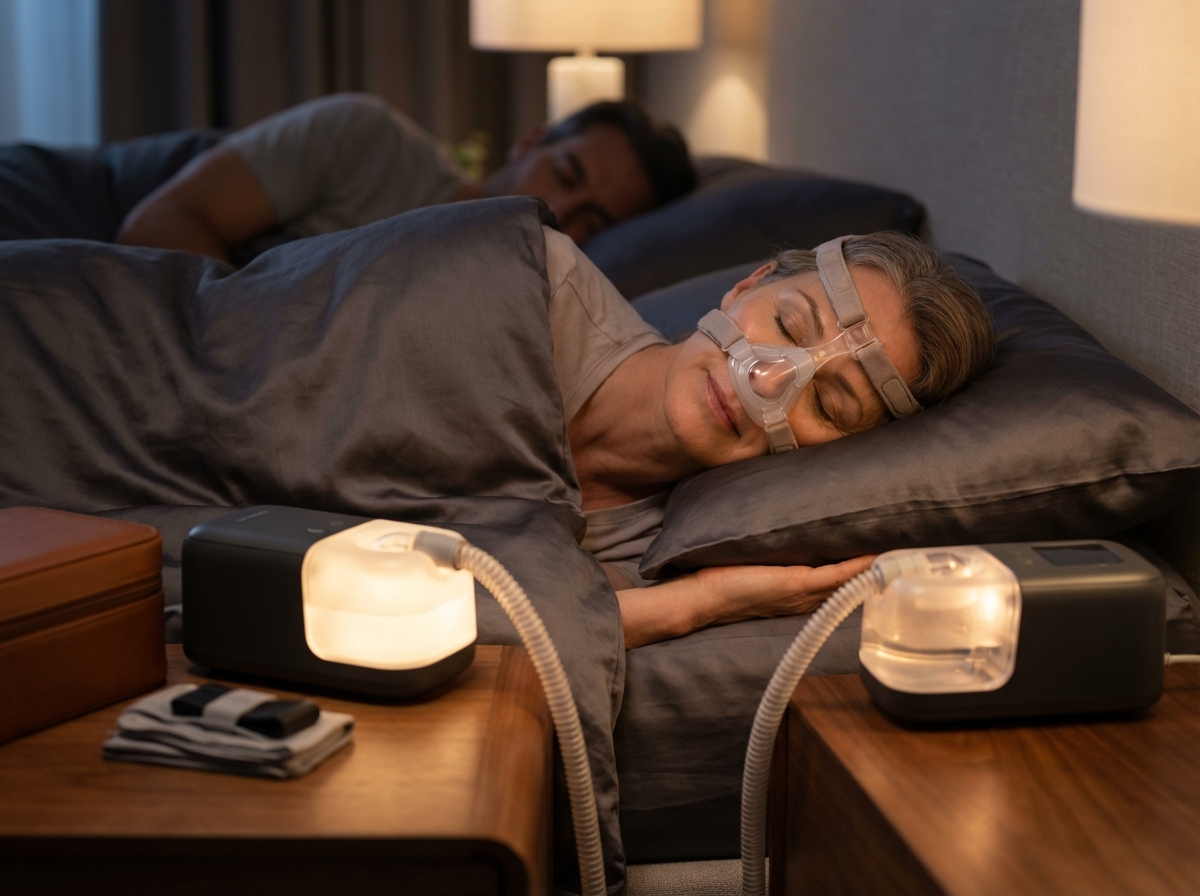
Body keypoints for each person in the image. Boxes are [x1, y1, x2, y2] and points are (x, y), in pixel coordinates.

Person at [540, 227, 994, 649]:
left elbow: (510, 626)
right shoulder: (536, 280)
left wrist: (700, 600)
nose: (766, 379)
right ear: (748, 284)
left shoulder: (652, 556)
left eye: (827, 404)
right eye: (788, 324)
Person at [115, 93, 696, 262]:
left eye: (592, 220)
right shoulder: (364, 138)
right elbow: (155, 225)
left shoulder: (524, 289)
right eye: (565, 172)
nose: (560, 211)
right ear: (530, 140)